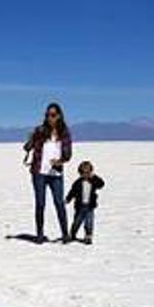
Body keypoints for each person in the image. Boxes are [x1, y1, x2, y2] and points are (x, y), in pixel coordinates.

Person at [22, 102, 73, 242]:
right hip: (39, 172)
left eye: (53, 115)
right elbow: (27, 147)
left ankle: (65, 234)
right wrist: (30, 140)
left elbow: (68, 153)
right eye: (48, 115)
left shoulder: (64, 132)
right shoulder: (40, 130)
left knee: (59, 203)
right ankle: (39, 234)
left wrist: (61, 161)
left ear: (59, 115)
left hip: (56, 173)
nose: (50, 117)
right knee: (40, 203)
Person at [65, 160, 105, 245]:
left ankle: (88, 236)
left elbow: (101, 184)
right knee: (77, 221)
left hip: (90, 206)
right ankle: (72, 234)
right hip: (80, 206)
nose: (86, 175)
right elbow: (72, 192)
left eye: (88, 172)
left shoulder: (93, 181)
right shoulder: (78, 182)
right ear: (80, 173)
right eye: (83, 173)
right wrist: (68, 199)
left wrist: (94, 177)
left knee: (89, 222)